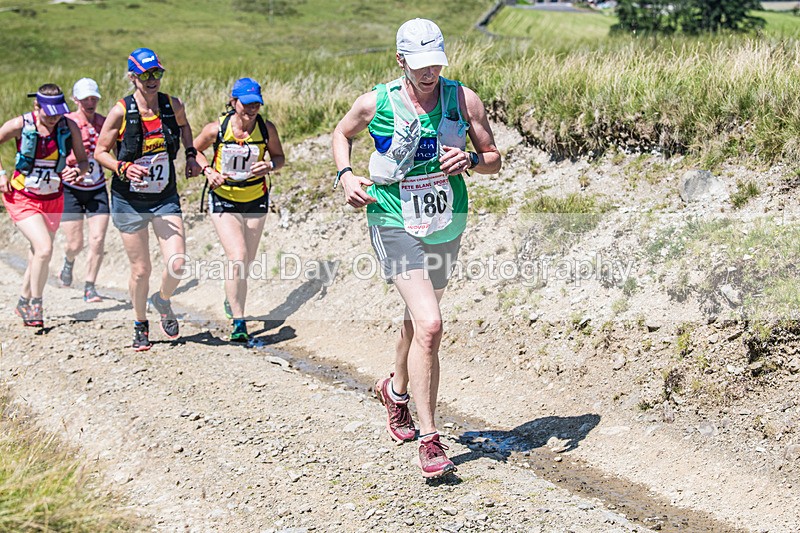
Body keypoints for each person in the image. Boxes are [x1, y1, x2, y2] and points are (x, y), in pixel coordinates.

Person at [332, 18, 501, 478]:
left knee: (418, 320)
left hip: (445, 221)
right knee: (431, 324)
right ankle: (431, 440)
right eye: (421, 65)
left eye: (437, 64)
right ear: (401, 60)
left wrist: (469, 159)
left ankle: (396, 391)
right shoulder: (376, 102)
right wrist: (345, 175)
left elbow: (493, 159)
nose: (430, 74)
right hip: (391, 218)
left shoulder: (462, 99)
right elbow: (340, 134)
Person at [94, 48, 202, 351]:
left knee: (177, 262)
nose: (152, 79)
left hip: (164, 195)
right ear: (133, 77)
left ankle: (162, 300)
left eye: (156, 73)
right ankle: (140, 322)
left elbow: (183, 127)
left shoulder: (172, 105)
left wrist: (191, 154)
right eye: (145, 74)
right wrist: (121, 167)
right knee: (141, 269)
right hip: (129, 200)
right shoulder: (120, 111)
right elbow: (100, 152)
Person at [193, 78, 285, 342]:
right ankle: (239, 321)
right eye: (246, 104)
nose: (251, 109)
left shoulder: (266, 129)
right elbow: (194, 151)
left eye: (256, 103)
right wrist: (208, 171)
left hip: (256, 197)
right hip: (224, 198)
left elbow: (280, 158)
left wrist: (269, 166)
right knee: (238, 256)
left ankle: (230, 297)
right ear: (233, 102)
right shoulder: (217, 129)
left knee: (246, 262)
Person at [0, 84, 88, 328]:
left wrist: (77, 172)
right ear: (36, 106)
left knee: (38, 252)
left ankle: (22, 300)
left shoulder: (68, 126)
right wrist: (0, 173)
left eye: (58, 113)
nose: (53, 118)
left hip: (53, 198)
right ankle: (35, 304)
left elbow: (83, 162)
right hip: (22, 196)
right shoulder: (20, 124)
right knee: (45, 248)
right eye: (49, 113)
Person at [58, 78, 110, 303]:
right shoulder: (65, 123)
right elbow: (54, 155)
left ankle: (90, 286)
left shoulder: (105, 123)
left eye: (94, 98)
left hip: (97, 188)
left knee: (98, 239)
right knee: (75, 244)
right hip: (71, 189)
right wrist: (62, 172)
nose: (90, 103)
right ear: (75, 100)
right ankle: (69, 262)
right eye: (85, 99)